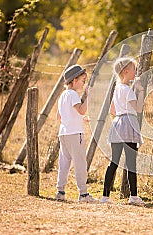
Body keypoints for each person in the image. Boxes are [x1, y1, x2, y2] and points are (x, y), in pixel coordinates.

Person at [100, 57, 145, 205]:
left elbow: (112, 110)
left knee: (114, 162)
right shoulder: (128, 90)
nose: (135, 72)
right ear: (126, 71)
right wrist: (141, 91)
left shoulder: (117, 88)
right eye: (133, 70)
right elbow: (138, 109)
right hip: (129, 124)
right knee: (131, 162)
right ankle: (133, 196)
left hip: (117, 123)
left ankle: (105, 196)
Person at [54, 64, 97, 203]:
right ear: (74, 80)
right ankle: (83, 194)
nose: (83, 84)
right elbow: (81, 110)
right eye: (82, 81)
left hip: (64, 134)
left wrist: (79, 119)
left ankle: (60, 191)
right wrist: (89, 97)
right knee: (80, 163)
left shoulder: (63, 96)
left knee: (64, 163)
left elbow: (59, 117)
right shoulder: (73, 94)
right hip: (75, 134)